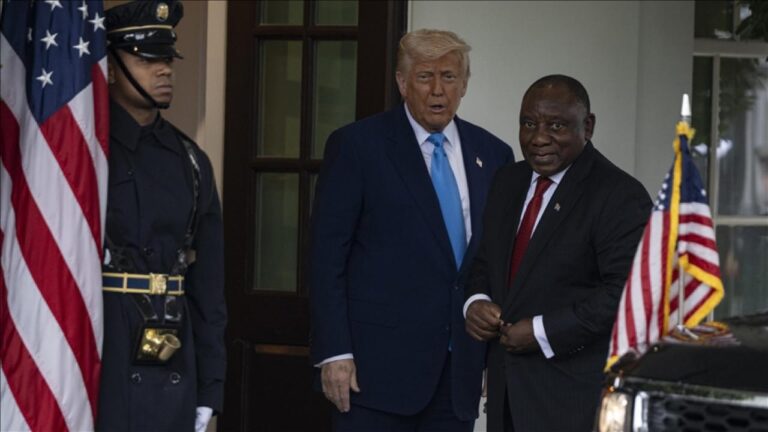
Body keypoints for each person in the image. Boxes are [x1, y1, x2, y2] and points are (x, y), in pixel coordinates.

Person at [310, 29, 513, 431]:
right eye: (425, 77)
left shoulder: (493, 154)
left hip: (458, 372)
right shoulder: (358, 146)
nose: (438, 90)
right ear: (402, 83)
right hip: (373, 375)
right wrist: (334, 352)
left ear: (464, 84)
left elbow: (495, 260)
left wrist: (493, 357)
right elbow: (326, 258)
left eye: (449, 77)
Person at [464, 75, 651, 431]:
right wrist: (475, 302)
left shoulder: (620, 195)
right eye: (528, 124)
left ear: (588, 126)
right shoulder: (507, 182)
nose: (538, 138)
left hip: (569, 402)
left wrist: (541, 331)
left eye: (556, 126)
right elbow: (485, 262)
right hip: (506, 398)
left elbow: (623, 295)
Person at [98, 1, 226, 431]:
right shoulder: (84, 153)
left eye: (167, 59)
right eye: (146, 59)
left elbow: (208, 288)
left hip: (171, 349)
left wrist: (211, 389)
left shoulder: (190, 160)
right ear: (111, 68)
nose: (164, 70)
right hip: (102, 347)